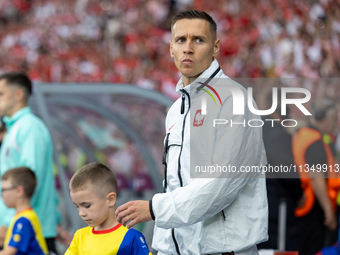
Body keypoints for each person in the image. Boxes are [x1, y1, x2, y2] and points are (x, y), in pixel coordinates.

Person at [116, 10, 268, 255]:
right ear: (170, 48)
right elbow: (176, 185)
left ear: (215, 47)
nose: (188, 48)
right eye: (181, 40)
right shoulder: (176, 110)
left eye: (198, 39)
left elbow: (221, 184)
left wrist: (155, 209)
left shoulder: (234, 99)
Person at [0, 72, 71, 254]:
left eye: (1, 94)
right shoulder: (16, 128)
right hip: (22, 224)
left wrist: (9, 222)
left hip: (26, 229)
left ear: (18, 95)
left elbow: (31, 179)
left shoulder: (29, 127)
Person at [65, 162, 152, 255]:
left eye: (87, 206)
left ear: (110, 199)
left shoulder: (131, 238)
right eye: (77, 206)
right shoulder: (79, 237)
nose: (81, 213)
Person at [292, 98, 340, 255]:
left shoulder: (303, 134)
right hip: (312, 207)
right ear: (323, 119)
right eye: (333, 120)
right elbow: (316, 176)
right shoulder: (315, 141)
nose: (334, 124)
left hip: (304, 204)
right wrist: (328, 211)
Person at [258, 90, 303, 250]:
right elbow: (286, 170)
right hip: (276, 206)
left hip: (258, 204)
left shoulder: (255, 127)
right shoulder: (276, 133)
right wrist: (299, 193)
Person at [0, 167, 48, 255]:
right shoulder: (24, 216)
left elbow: (9, 252)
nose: (2, 194)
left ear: (19, 191)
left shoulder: (23, 221)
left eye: (3, 190)